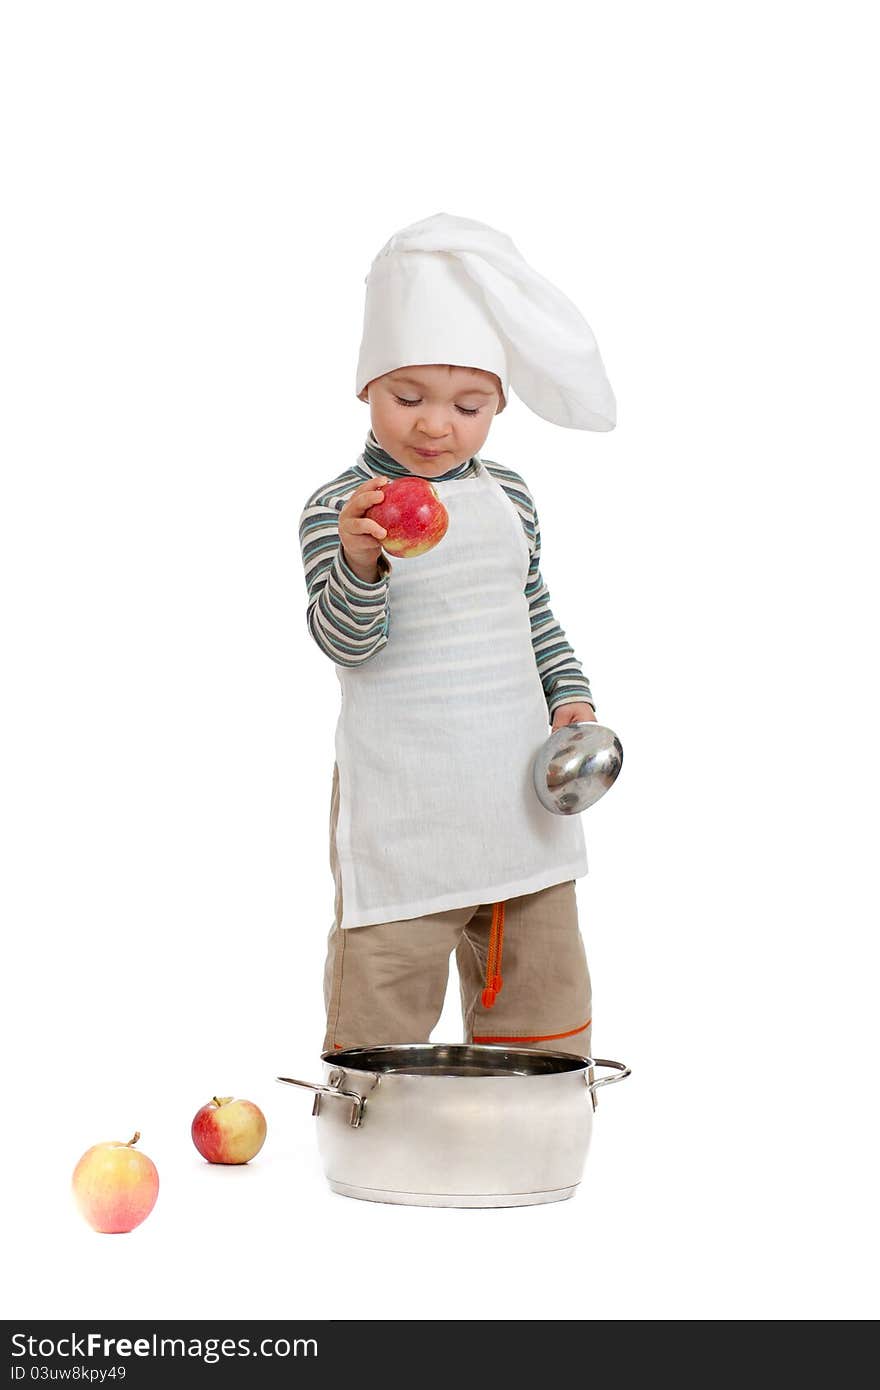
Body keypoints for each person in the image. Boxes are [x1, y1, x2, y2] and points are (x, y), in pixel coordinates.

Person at [298, 212, 616, 1059]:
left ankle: (529, 1119)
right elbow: (345, 644)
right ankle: (375, 1117)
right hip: (410, 803)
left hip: (521, 798)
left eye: (468, 405)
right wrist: (361, 563)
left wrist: (571, 695)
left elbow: (535, 611)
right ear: (366, 387)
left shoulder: (510, 495)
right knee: (388, 977)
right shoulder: (343, 509)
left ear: (499, 404)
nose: (436, 426)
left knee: (541, 977)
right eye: (409, 398)